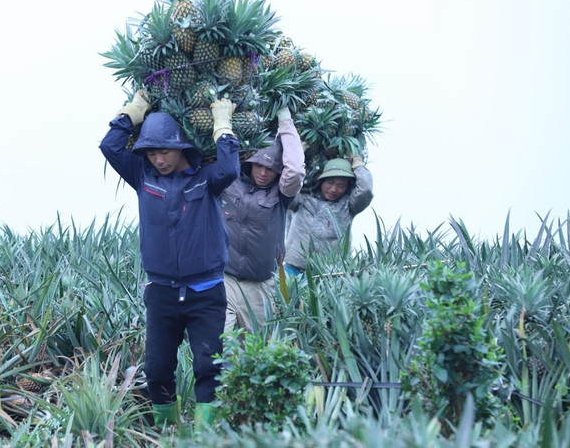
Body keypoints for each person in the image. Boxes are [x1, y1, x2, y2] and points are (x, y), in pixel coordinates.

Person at [99, 89, 240, 429]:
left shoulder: (206, 178)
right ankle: (167, 432)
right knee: (158, 368)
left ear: (181, 148)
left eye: (164, 151)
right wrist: (133, 113)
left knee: (209, 365)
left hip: (206, 291)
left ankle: (206, 435)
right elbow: (110, 146)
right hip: (162, 290)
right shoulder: (142, 176)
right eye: (151, 152)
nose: (158, 160)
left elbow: (230, 169)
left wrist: (222, 127)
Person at [220, 107, 305, 334]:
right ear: (248, 162)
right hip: (224, 280)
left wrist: (285, 121)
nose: (264, 173)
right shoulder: (228, 181)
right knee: (220, 344)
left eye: (271, 168)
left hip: (260, 286)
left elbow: (296, 171)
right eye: (259, 165)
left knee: (255, 347)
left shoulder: (282, 194)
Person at [283, 157, 373, 275]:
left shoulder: (348, 206)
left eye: (341, 185)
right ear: (321, 181)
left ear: (347, 188)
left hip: (331, 273)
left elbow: (365, 190)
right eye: (330, 182)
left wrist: (358, 163)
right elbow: (287, 184)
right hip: (295, 268)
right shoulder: (301, 200)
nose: (333, 189)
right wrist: (296, 156)